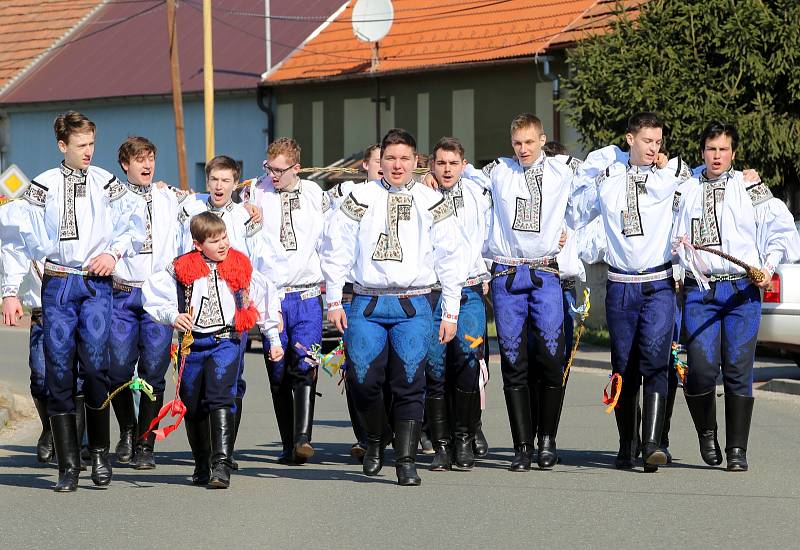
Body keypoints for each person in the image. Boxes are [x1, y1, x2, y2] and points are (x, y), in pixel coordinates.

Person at [1, 111, 146, 491]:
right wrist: (10, 292)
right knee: (58, 373)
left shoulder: (107, 182)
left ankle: (97, 451)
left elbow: (134, 223)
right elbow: (14, 237)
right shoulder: (42, 186)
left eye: (92, 144)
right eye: (81, 145)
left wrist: (114, 254)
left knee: (97, 368)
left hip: (97, 285)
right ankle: (69, 466)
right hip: (58, 285)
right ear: (62, 146)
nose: (88, 152)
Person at [321, 128, 465, 486]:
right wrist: (334, 299)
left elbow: (451, 256)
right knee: (363, 380)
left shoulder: (432, 201)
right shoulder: (359, 196)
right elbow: (336, 248)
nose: (397, 165)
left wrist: (450, 310)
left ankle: (405, 460)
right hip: (367, 301)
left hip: (415, 303)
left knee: (410, 381)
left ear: (416, 162)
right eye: (390, 158)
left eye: (404, 158)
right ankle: (373, 441)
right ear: (379, 161)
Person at [672, 122, 800, 471]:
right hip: (702, 289)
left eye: (723, 149)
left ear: (733, 153)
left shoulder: (750, 186)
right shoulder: (684, 189)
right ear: (702, 151)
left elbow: (781, 229)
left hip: (742, 290)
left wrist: (769, 266)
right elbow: (669, 234)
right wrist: (677, 257)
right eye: (711, 149)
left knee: (738, 368)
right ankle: (706, 433)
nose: (717, 156)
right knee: (700, 367)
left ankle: (736, 451)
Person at [573, 112, 694, 472]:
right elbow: (576, 207)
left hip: (657, 284)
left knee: (657, 358)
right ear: (630, 139)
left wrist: (746, 179)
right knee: (623, 367)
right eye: (647, 141)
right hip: (621, 286)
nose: (653, 148)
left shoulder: (671, 175)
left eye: (658, 142)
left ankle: (652, 444)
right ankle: (627, 444)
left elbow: (704, 184)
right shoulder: (608, 174)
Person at [471, 114, 579, 472]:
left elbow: (608, 166)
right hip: (506, 275)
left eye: (530, 142)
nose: (523, 149)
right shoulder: (499, 170)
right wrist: (429, 177)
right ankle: (522, 446)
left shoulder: (563, 169)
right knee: (515, 363)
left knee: (551, 359)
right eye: (517, 143)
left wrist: (658, 161)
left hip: (546, 273)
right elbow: (461, 176)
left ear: (543, 140)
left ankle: (547, 439)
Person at [143, 212, 280, 488]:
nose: (222, 245)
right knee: (192, 405)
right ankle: (202, 462)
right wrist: (173, 316)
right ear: (197, 244)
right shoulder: (181, 268)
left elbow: (263, 297)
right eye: (214, 240)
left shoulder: (240, 264)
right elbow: (153, 293)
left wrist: (273, 338)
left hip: (226, 341)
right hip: (192, 345)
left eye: (224, 238)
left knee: (220, 396)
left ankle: (221, 465)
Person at [178, 155, 286, 469]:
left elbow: (257, 256)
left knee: (230, 379)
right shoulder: (192, 208)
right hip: (197, 305)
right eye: (214, 180)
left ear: (235, 184)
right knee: (194, 387)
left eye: (226, 181)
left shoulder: (243, 216)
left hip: (234, 304)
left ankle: (225, 452)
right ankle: (209, 452)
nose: (219, 186)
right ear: (207, 181)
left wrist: (263, 304)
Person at [246, 138, 331, 464]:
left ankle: (302, 438)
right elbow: (217, 198)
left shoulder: (314, 194)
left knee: (305, 363)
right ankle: (287, 444)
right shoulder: (255, 191)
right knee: (277, 369)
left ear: (296, 167)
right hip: (272, 296)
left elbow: (337, 229)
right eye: (269, 167)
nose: (273, 174)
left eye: (280, 169)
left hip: (307, 294)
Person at [106, 137, 185, 469]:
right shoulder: (112, 200)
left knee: (154, 371)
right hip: (122, 293)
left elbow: (208, 203)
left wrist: (248, 204)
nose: (147, 165)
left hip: (158, 296)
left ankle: (145, 443)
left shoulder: (168, 198)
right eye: (140, 160)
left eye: (151, 158)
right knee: (118, 368)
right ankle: (127, 427)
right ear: (126, 165)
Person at [424, 137, 492, 472]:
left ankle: (465, 438)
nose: (447, 169)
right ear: (431, 165)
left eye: (453, 163)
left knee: (467, 364)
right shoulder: (423, 196)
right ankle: (441, 445)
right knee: (436, 370)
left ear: (464, 165)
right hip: (433, 295)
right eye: (441, 163)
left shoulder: (479, 194)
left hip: (470, 293)